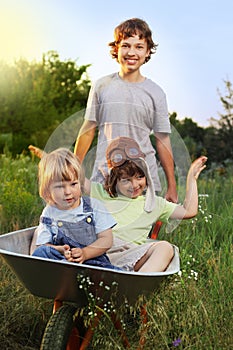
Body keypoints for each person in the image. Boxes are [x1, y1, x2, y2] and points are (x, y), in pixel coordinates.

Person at [74, 17, 178, 203]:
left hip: (143, 181)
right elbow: (88, 128)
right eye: (126, 45)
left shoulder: (156, 93)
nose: (132, 52)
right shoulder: (101, 86)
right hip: (106, 177)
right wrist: (73, 168)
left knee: (140, 232)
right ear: (116, 49)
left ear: (147, 52)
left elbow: (162, 139)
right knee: (104, 232)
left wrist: (172, 186)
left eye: (139, 47)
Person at [87, 137, 207, 272]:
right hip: (100, 249)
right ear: (114, 181)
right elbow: (74, 179)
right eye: (126, 180)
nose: (134, 185)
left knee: (165, 248)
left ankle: (138, 281)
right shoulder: (102, 193)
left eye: (139, 177)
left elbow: (189, 211)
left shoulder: (153, 203)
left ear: (146, 176)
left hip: (130, 255)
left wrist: (191, 177)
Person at [30, 147, 120, 271]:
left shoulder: (93, 207)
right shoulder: (49, 212)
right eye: (60, 187)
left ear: (81, 183)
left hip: (92, 261)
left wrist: (85, 253)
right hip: (62, 262)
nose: (68, 192)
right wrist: (61, 250)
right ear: (47, 190)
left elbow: (107, 240)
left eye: (73, 184)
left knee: (112, 271)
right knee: (41, 252)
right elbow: (43, 244)